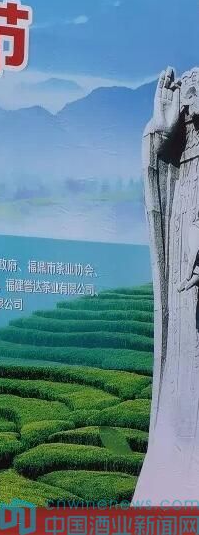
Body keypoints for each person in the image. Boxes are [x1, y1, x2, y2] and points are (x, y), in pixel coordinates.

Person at [135, 67, 199, 503]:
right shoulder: (185, 146)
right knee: (184, 338)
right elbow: (159, 157)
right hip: (185, 209)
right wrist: (162, 122)